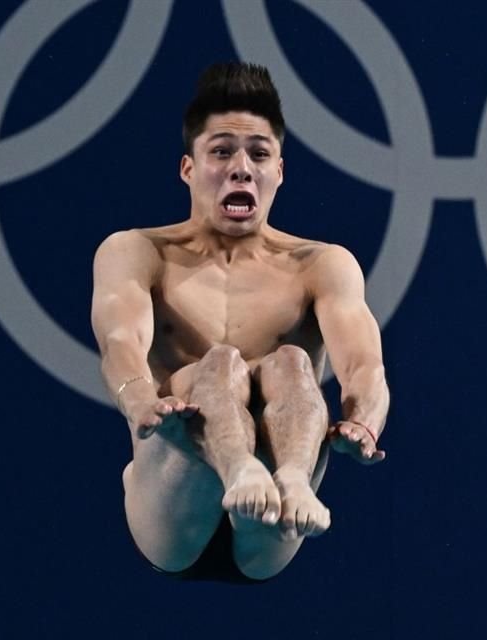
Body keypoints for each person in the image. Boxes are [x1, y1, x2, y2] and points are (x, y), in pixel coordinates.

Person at [91, 62, 389, 583]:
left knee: (293, 363)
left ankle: (290, 477)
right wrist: (140, 401)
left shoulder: (322, 264)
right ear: (188, 168)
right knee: (217, 365)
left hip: (277, 508)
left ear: (279, 171)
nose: (241, 168)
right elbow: (120, 340)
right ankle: (238, 469)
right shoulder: (136, 251)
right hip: (173, 506)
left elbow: (364, 364)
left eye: (259, 154)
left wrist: (363, 422)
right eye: (222, 151)